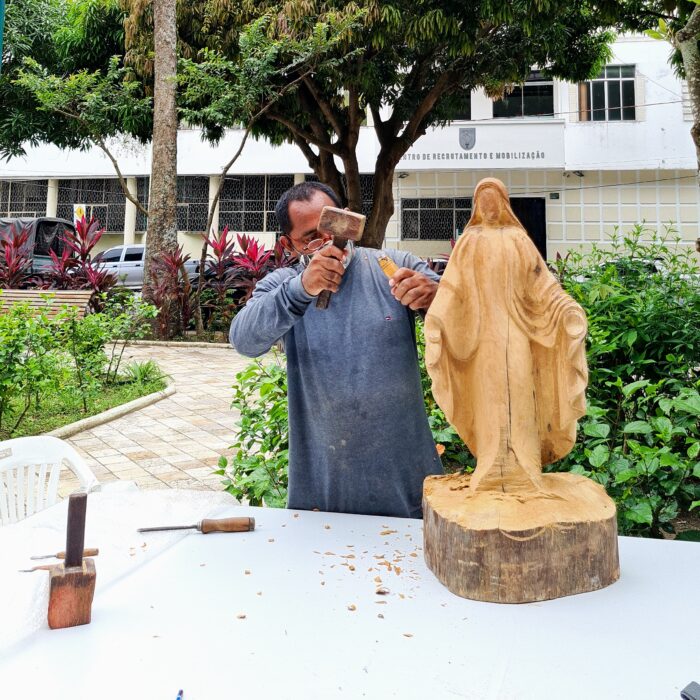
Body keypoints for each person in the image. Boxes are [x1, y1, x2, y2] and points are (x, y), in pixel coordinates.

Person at [229, 181, 443, 518]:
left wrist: (434, 299)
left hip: (408, 486)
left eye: (331, 227)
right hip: (321, 491)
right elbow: (244, 340)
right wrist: (302, 288)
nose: (327, 243)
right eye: (311, 237)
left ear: (346, 219)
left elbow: (465, 325)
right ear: (289, 244)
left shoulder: (393, 266)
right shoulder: (283, 287)